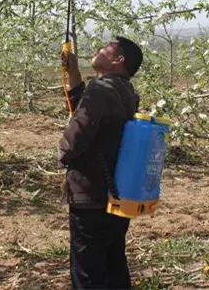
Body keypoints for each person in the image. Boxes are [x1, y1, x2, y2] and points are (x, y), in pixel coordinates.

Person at [57, 36, 143, 290]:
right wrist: (73, 70)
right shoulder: (124, 91)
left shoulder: (101, 90)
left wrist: (61, 153)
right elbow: (85, 106)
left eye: (106, 48)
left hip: (91, 196)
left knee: (88, 275)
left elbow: (77, 134)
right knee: (113, 265)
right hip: (115, 195)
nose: (98, 49)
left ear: (118, 59)